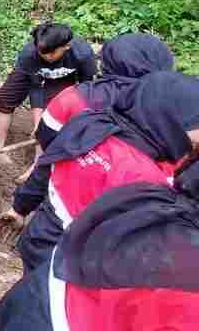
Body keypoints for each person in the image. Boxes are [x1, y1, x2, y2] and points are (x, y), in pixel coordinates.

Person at [11, 70, 199, 274]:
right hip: (73, 269)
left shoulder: (90, 124)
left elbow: (44, 170)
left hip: (39, 239)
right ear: (171, 120)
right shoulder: (149, 177)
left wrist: (19, 208)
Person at [0, 33, 176, 239]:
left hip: (60, 213)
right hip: (123, 230)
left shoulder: (76, 97)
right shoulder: (175, 117)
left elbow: (48, 146)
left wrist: (20, 206)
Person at [0, 154, 199, 331]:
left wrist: (20, 207)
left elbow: (50, 152)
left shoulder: (146, 192)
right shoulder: (143, 175)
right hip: (54, 291)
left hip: (40, 289)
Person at [0, 22, 97, 159]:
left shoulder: (83, 54)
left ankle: (37, 162)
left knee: (50, 115)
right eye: (42, 53)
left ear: (67, 46)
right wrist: (37, 121)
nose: (46, 57)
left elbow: (86, 86)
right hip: (31, 71)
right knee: (5, 100)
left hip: (63, 77)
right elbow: (36, 87)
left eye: (51, 54)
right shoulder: (30, 54)